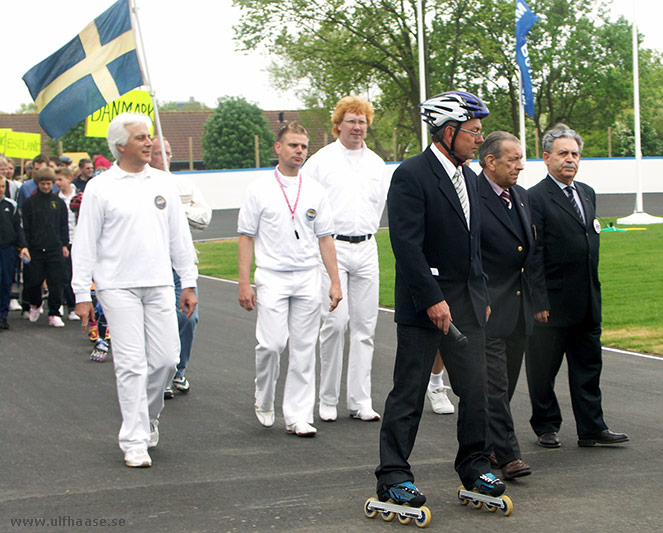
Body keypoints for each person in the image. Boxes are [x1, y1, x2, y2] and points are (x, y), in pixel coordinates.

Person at [375, 91, 506, 508]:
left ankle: (474, 465)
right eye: (473, 132)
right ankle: (393, 475)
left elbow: (474, 245)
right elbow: (407, 245)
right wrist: (432, 298)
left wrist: (480, 292)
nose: (478, 140)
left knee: (476, 389)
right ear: (448, 132)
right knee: (409, 390)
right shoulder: (411, 175)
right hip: (423, 303)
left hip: (467, 301)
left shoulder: (470, 177)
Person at [72, 112, 198, 468]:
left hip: (159, 283)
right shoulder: (100, 187)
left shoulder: (163, 182)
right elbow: (85, 244)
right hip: (117, 286)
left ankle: (148, 417)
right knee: (130, 364)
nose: (149, 143)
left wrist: (188, 281)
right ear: (120, 145)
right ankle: (134, 440)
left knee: (166, 360)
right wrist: (82, 293)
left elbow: (179, 237)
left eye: (149, 137)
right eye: (141, 138)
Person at [526, 124, 629, 449]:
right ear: (546, 158)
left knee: (588, 368)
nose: (570, 159)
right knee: (543, 371)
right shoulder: (536, 198)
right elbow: (535, 254)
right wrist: (538, 300)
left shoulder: (586, 192)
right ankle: (546, 425)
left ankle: (591, 427)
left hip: (586, 299)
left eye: (575, 154)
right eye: (563, 154)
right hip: (551, 304)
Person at [238, 121, 342, 438]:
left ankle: (297, 415)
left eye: (303, 146)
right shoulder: (259, 189)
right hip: (272, 276)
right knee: (271, 344)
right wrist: (244, 282)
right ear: (278, 148)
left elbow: (325, 238)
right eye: (293, 145)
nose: (299, 151)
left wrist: (334, 282)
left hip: (308, 276)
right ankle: (264, 395)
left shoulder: (314, 190)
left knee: (303, 348)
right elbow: (245, 237)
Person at [302, 95, 388, 423]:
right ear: (338, 124)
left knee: (365, 327)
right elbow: (307, 206)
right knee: (335, 324)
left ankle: (360, 400)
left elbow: (378, 205)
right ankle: (327, 398)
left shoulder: (377, 165)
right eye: (351, 121)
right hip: (331, 248)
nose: (357, 127)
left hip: (366, 247)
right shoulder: (321, 162)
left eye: (362, 121)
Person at [477, 131, 534, 480]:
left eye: (521, 158)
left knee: (505, 386)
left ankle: (486, 444)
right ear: (491, 161)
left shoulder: (522, 198)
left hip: (519, 310)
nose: (520, 166)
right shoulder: (472, 197)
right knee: (495, 386)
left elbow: (531, 255)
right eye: (513, 159)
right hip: (487, 308)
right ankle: (508, 454)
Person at [150, 137, 212, 399]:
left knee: (188, 318)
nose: (162, 157)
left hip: (180, 264)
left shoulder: (184, 185)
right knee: (158, 321)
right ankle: (159, 373)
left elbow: (204, 218)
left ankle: (178, 369)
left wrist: (175, 209)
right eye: (156, 153)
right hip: (151, 266)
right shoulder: (141, 185)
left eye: (166, 152)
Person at [21, 167, 69, 327]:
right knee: (33, 281)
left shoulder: (59, 203)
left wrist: (64, 244)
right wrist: (24, 246)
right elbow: (25, 227)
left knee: (56, 282)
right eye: (42, 183)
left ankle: (54, 313)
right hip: (35, 249)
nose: (46, 187)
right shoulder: (29, 203)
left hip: (54, 249)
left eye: (49, 183)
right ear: (37, 183)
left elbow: (63, 226)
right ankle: (36, 304)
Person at [0, 177, 29, 330]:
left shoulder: (11, 205)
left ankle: (2, 316)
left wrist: (23, 245)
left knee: (5, 282)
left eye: (2, 186)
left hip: (7, 249)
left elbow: (18, 227)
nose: (0, 189)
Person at [55, 167, 79, 321]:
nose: (57, 183)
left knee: (76, 274)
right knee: (64, 274)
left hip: (77, 240)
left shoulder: (79, 195)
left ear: (69, 179)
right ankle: (66, 304)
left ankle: (75, 304)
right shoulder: (56, 199)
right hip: (64, 241)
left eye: (60, 179)